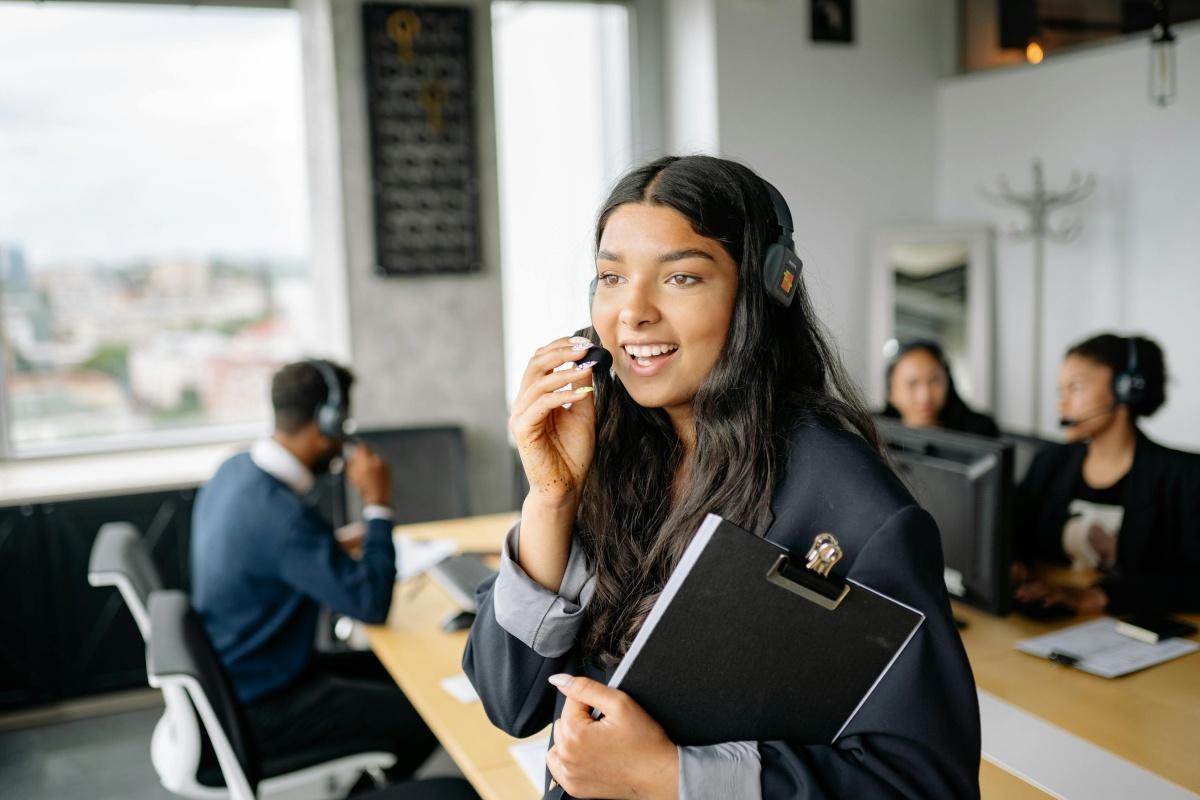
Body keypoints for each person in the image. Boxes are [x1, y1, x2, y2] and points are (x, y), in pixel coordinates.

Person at [463, 156, 980, 799]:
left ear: (762, 295)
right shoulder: (613, 452)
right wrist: (551, 498)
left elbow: (927, 784)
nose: (632, 312)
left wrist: (670, 777)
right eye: (611, 278)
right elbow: (508, 700)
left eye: (681, 277)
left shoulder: (852, 505)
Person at [190, 360, 439, 780]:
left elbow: (268, 554)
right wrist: (379, 504)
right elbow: (371, 604)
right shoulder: (283, 518)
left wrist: (329, 545)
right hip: (265, 702)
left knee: (413, 681)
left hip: (239, 675)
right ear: (327, 421)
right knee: (427, 713)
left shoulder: (235, 470)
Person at [1012, 333, 1200, 615]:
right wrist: (1015, 565)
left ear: (1126, 388)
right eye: (1060, 391)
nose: (1061, 405)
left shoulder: (1184, 477)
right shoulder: (1050, 463)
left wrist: (1098, 596)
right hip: (1055, 621)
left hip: (1135, 629)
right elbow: (1012, 534)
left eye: (1075, 388)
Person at [881, 339, 999, 436]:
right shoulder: (875, 434)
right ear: (891, 393)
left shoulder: (979, 430)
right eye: (912, 383)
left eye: (934, 381)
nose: (925, 396)